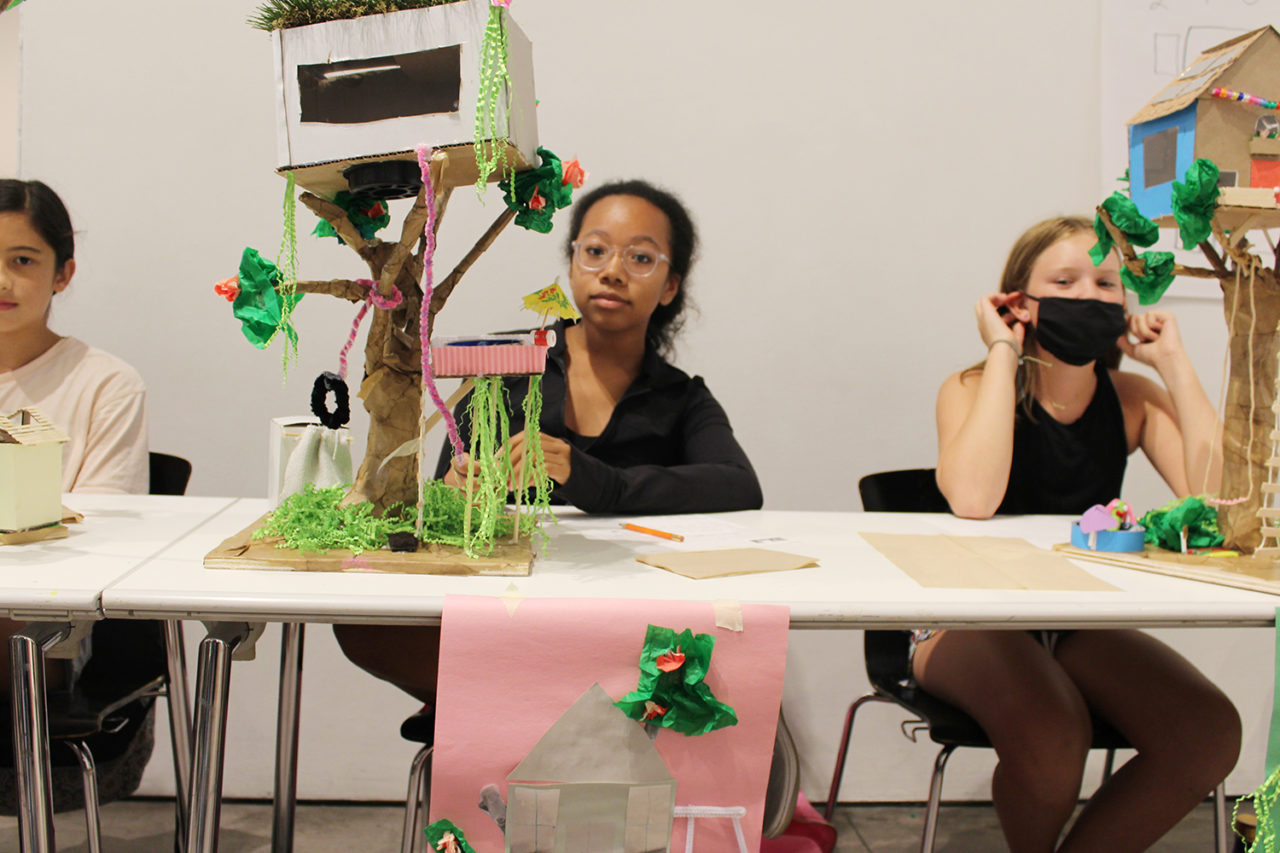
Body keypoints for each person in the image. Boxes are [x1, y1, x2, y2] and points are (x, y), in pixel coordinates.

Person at [334, 179, 763, 704]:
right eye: (596, 251)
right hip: (503, 614)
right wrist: (454, 488)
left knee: (736, 663)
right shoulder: (504, 364)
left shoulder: (680, 399)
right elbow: (444, 488)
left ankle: (521, 713)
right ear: (572, 264)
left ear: (670, 286)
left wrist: (588, 477)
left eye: (641, 258)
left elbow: (738, 486)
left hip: (626, 624)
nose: (612, 270)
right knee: (368, 628)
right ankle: (521, 715)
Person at [915, 216, 1239, 852]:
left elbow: (1220, 504)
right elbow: (975, 500)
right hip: (965, 614)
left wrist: (1173, 363)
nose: (1089, 295)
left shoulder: (1132, 398)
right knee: (1053, 732)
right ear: (1019, 301)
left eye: (1106, 283)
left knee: (1206, 731)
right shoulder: (972, 387)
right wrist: (1003, 350)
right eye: (1064, 281)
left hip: (1078, 615)